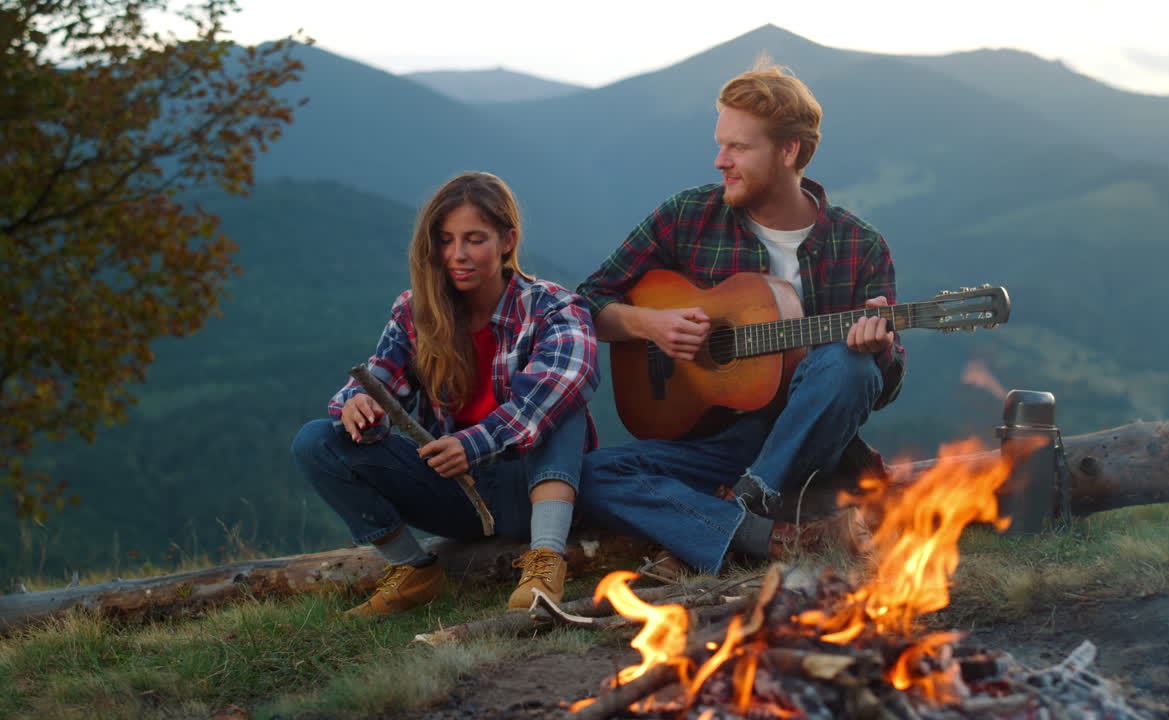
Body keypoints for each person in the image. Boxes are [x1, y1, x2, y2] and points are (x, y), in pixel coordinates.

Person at [574, 61, 905, 576]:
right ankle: (769, 537)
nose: (719, 161)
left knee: (849, 365)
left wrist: (877, 349)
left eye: (738, 148)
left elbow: (876, 389)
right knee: (591, 473)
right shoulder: (688, 216)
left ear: (788, 150)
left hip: (809, 440)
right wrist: (650, 325)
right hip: (711, 443)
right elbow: (587, 303)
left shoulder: (858, 245)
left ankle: (735, 517)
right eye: (721, 143)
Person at [292, 172, 599, 615]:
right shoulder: (415, 310)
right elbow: (380, 378)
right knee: (317, 441)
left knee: (559, 405)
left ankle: (546, 560)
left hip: (534, 489)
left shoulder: (553, 307)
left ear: (507, 240)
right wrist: (360, 408)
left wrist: (472, 445)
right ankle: (414, 571)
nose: (457, 255)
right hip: (456, 495)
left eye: (475, 239)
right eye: (446, 240)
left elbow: (566, 381)